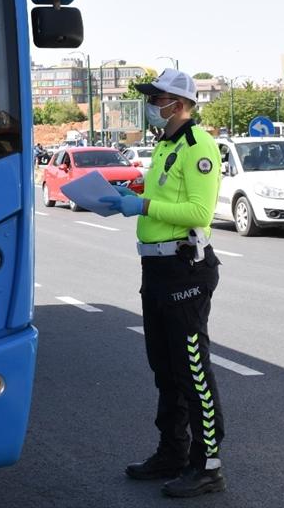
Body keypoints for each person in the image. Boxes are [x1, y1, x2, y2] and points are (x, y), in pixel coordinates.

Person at [98, 69, 227, 498]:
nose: (153, 105)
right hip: (156, 270)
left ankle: (208, 466)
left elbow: (197, 213)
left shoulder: (198, 145)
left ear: (179, 102)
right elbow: (165, 198)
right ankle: (172, 452)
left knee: (193, 370)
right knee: (165, 370)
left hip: (184, 269)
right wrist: (126, 198)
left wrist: (143, 204)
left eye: (158, 98)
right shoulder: (166, 145)